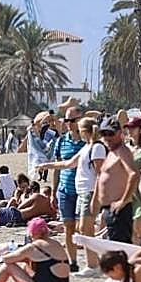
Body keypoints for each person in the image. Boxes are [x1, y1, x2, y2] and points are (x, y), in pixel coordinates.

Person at [39, 118, 105, 272]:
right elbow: (67, 164)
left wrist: (95, 197)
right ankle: (93, 263)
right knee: (83, 228)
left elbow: (100, 174)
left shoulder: (96, 148)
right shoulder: (87, 147)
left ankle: (93, 265)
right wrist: (46, 165)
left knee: (86, 229)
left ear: (84, 131)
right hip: (83, 192)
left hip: (89, 192)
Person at [92, 117, 139, 245]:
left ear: (119, 133)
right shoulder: (112, 152)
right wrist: (95, 200)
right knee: (114, 248)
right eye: (103, 134)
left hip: (119, 211)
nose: (107, 137)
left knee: (120, 250)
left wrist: (123, 201)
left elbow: (134, 174)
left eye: (110, 133)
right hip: (108, 209)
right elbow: (101, 177)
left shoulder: (123, 151)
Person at [49, 109, 85, 270]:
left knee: (83, 227)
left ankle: (91, 262)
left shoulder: (88, 142)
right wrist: (53, 191)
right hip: (64, 190)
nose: (68, 124)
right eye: (66, 120)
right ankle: (73, 262)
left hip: (83, 190)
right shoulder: (61, 141)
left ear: (80, 120)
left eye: (72, 120)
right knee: (68, 226)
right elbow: (57, 168)